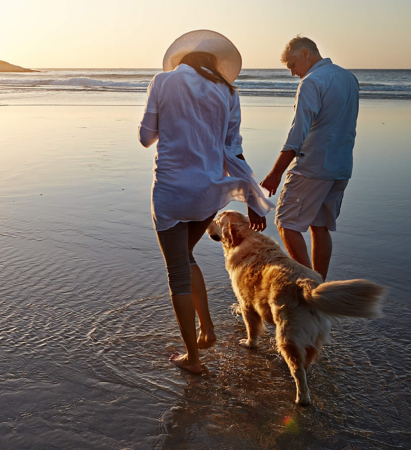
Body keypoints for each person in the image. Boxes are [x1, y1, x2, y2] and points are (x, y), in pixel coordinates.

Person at [138, 30, 273, 374]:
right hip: (208, 196)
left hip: (171, 192)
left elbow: (145, 138)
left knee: (177, 274)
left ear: (180, 59)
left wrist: (170, 124)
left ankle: (193, 359)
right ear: (215, 64)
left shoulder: (163, 82)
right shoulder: (228, 92)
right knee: (185, 256)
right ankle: (208, 330)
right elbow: (233, 150)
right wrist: (253, 198)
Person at [260, 36, 359, 281]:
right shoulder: (349, 78)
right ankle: (321, 288)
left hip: (312, 167)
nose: (293, 73)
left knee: (286, 224)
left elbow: (297, 133)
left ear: (305, 53)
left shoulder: (312, 81)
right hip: (340, 166)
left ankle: (310, 287)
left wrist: (276, 173)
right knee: (320, 227)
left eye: (292, 65)